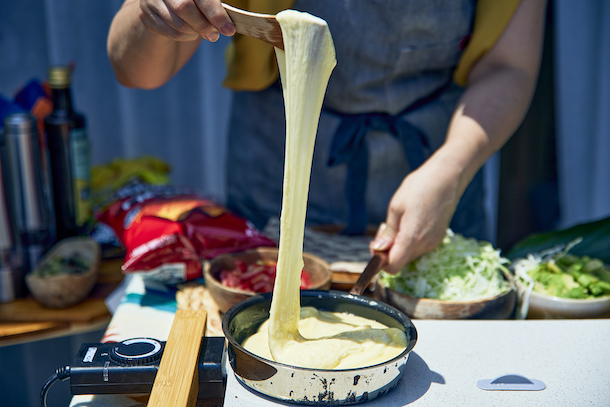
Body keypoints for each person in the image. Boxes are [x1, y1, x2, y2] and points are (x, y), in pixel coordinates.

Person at [107, 0, 547, 275]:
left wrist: (451, 169)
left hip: (439, 162)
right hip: (272, 175)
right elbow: (136, 70)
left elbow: (510, 66)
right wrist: (153, 12)